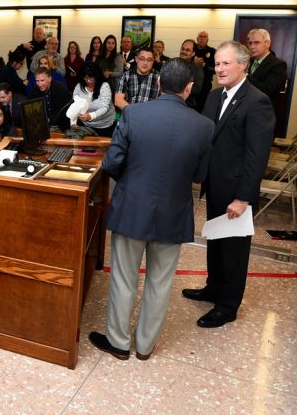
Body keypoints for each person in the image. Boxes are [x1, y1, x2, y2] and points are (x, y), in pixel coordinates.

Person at [88, 58, 214, 361]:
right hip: (173, 214)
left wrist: (133, 183)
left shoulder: (133, 113)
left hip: (132, 208)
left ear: (158, 83)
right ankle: (145, 345)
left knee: (123, 278)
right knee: (160, 282)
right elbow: (199, 175)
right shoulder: (205, 126)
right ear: (189, 88)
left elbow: (112, 163)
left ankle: (118, 342)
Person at [182, 41, 275, 328]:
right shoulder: (214, 96)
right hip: (215, 185)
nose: (219, 68)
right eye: (217, 64)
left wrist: (243, 198)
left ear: (243, 65)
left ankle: (227, 305)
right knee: (216, 240)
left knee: (234, 251)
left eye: (225, 63)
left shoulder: (257, 101)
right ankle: (213, 287)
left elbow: (256, 156)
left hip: (236, 192)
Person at [246, 28, 288, 106]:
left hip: (261, 110)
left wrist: (245, 75)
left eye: (256, 43)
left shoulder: (278, 64)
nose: (252, 46)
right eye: (250, 43)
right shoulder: (247, 61)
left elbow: (267, 90)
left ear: (267, 44)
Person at [72, 63, 115, 137]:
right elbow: (75, 105)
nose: (89, 81)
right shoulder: (79, 87)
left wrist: (90, 116)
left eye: (91, 78)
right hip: (86, 125)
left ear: (97, 76)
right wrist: (73, 121)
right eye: (86, 78)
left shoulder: (104, 86)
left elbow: (104, 107)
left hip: (104, 125)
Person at [115, 48, 160, 114]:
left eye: (149, 60)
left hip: (150, 117)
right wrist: (136, 114)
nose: (145, 63)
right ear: (136, 59)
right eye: (142, 59)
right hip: (129, 117)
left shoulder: (159, 78)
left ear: (153, 61)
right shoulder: (126, 76)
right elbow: (118, 101)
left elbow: (164, 102)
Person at [27, 66, 72, 131]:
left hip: (61, 125)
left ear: (50, 78)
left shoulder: (61, 89)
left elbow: (64, 111)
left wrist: (49, 119)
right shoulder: (33, 92)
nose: (39, 84)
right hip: (42, 125)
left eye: (42, 80)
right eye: (37, 81)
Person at [193, 31, 217, 113]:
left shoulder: (212, 51)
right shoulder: (192, 50)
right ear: (197, 39)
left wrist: (203, 64)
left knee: (202, 108)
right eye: (200, 36)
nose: (202, 38)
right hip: (191, 84)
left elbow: (215, 69)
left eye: (204, 37)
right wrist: (192, 61)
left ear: (207, 39)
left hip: (205, 85)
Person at [179, 39, 204, 109]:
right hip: (170, 103)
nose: (184, 52)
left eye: (187, 50)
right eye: (182, 49)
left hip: (187, 106)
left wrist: (177, 84)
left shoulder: (197, 69)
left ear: (193, 53)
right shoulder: (172, 64)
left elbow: (196, 90)